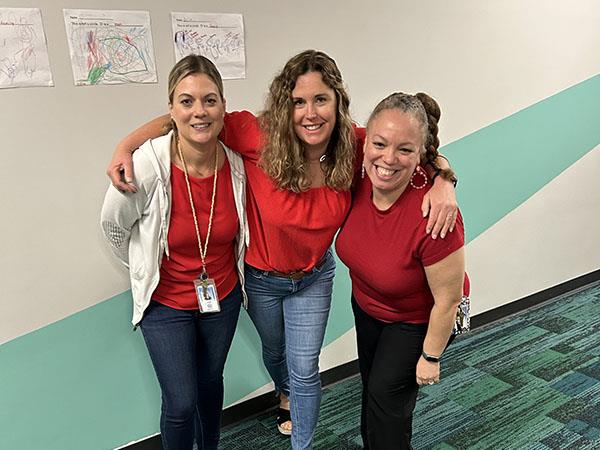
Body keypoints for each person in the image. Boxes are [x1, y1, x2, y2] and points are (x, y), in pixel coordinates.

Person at [106, 50, 458, 450]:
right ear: (284, 105)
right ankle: (283, 391)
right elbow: (191, 119)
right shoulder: (260, 135)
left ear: (337, 101)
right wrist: (126, 145)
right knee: (277, 358)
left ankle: (301, 444)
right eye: (298, 101)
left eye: (321, 99)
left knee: (305, 368)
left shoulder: (354, 143)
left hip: (314, 277)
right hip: (262, 280)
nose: (311, 113)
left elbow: (404, 146)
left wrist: (445, 177)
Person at [100, 54, 248, 450]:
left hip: (222, 298)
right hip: (166, 304)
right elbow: (113, 226)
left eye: (209, 100)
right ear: (171, 109)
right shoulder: (147, 166)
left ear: (222, 106)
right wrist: (142, 268)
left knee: (210, 384)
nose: (199, 111)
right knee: (181, 402)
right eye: (187, 101)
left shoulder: (237, 166)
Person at [335, 92, 469, 449]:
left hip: (421, 318)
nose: (388, 158)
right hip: (369, 304)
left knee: (385, 399)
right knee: (374, 390)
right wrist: (446, 173)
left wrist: (431, 356)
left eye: (405, 151)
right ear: (367, 141)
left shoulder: (435, 216)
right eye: (379, 144)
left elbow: (449, 300)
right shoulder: (362, 161)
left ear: (421, 153)